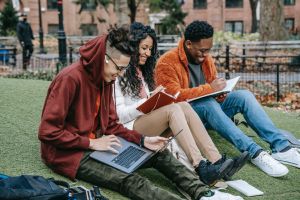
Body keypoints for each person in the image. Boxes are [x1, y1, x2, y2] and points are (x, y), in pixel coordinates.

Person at [38, 25, 243, 200]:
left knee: (158, 152)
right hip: (72, 154)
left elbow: (111, 125)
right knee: (127, 179)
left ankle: (204, 194)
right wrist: (91, 143)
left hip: (103, 142)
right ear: (105, 59)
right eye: (118, 69)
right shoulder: (69, 79)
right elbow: (47, 131)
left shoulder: (105, 79)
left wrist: (143, 141)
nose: (119, 75)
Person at [155, 20, 300, 177]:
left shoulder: (206, 58)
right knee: (207, 103)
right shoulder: (166, 62)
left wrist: (219, 93)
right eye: (202, 51)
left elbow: (212, 86)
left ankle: (282, 148)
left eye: (208, 50)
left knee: (244, 95)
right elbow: (172, 98)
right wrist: (210, 90)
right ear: (189, 44)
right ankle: (256, 153)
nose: (205, 55)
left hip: (209, 111)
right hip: (186, 118)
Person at [115, 22, 249, 186]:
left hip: (144, 121)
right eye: (144, 48)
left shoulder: (140, 71)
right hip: (129, 129)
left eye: (150, 49)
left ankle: (216, 161)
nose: (148, 53)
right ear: (132, 46)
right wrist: (149, 101)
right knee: (173, 109)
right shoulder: (118, 72)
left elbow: (141, 102)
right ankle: (200, 165)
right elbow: (119, 115)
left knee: (183, 106)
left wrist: (154, 97)